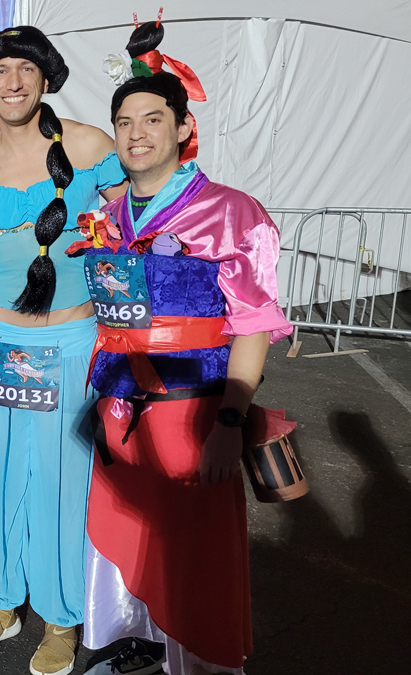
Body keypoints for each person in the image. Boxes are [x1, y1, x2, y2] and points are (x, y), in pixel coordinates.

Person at [76, 19, 293, 675]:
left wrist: (229, 421)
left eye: (152, 119)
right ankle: (136, 646)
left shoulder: (232, 212)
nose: (136, 133)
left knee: (195, 559)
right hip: (119, 411)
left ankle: (197, 663)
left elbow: (252, 324)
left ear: (181, 128)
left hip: (193, 413)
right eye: (124, 122)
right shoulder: (106, 218)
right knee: (127, 538)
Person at [0, 27, 128, 675]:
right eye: (1, 71)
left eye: (26, 68)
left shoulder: (89, 146)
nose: (14, 81)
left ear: (46, 77)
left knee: (62, 480)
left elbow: (136, 230)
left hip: (71, 343)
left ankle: (60, 615)